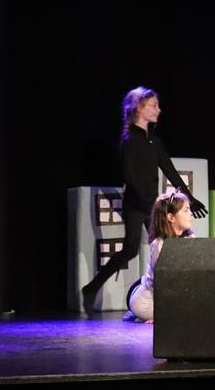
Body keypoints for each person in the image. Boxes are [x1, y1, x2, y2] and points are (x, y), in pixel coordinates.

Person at [82, 87, 206, 312]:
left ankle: (172, 297)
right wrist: (152, 204)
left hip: (152, 204)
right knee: (131, 250)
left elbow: (170, 171)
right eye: (153, 106)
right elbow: (130, 177)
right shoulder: (129, 141)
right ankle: (92, 288)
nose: (159, 110)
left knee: (170, 245)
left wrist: (190, 197)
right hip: (136, 205)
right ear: (139, 108)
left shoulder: (154, 142)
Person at [126, 190, 194, 323]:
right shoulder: (160, 245)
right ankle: (139, 314)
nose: (191, 213)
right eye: (186, 210)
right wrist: (162, 315)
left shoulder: (190, 238)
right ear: (171, 217)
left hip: (162, 293)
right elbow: (164, 284)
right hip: (147, 301)